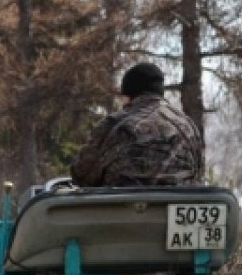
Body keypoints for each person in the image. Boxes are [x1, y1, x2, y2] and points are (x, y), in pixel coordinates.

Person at [70, 62, 204, 187]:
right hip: (174, 207)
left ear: (128, 95)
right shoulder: (187, 126)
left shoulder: (113, 124)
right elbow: (198, 176)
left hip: (117, 209)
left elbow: (82, 175)